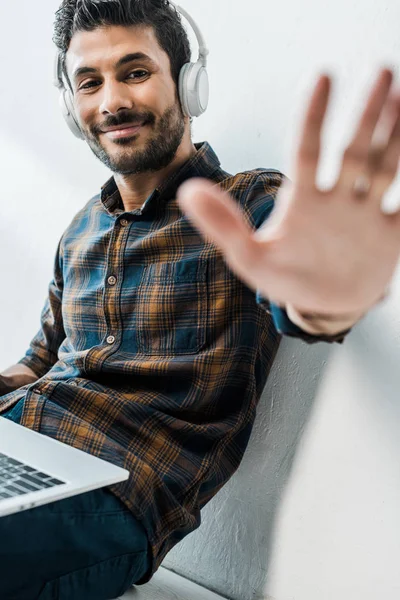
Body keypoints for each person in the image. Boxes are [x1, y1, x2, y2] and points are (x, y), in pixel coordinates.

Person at [1, 0, 399, 598]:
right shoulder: (80, 229)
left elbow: (301, 300)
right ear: (71, 106)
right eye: (90, 82)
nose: (111, 101)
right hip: (17, 445)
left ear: (189, 84)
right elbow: (35, 365)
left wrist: (328, 291)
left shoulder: (251, 207)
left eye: (135, 72)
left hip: (115, 500)